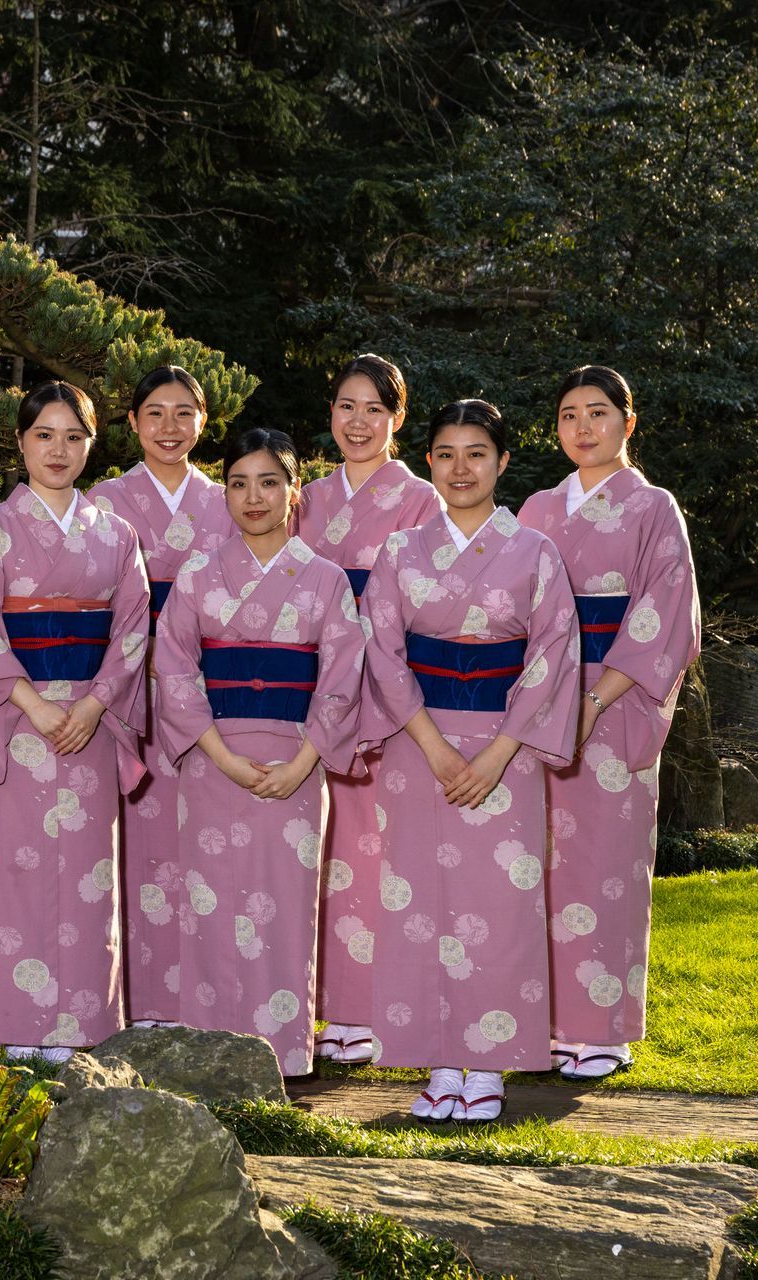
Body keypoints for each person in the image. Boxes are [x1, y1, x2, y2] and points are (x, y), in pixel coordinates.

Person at [357, 400, 580, 1121]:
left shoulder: (537, 553)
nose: (461, 468)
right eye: (446, 453)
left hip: (505, 749)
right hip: (416, 745)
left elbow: (551, 658)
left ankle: (487, 1066)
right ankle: (438, 1058)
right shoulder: (399, 553)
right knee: (418, 903)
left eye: (476, 453)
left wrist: (499, 753)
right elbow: (383, 654)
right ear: (428, 461)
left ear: (504, 462)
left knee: (499, 905)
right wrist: (430, 743)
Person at [0, 381, 151, 1062]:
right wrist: (32, 703)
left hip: (90, 716)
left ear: (93, 444)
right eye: (44, 435)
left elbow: (131, 628)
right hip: (17, 715)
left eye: (74, 436)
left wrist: (95, 704)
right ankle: (19, 1026)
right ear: (20, 441)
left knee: (90, 875)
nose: (59, 450)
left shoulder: (116, 535)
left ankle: (84, 1024)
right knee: (17, 869)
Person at [151, 427, 364, 1076]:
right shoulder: (197, 575)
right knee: (211, 909)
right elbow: (175, 670)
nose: (253, 496)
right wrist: (221, 755)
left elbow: (341, 674)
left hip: (295, 761)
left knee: (284, 909)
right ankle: (213, 1054)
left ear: (294, 492)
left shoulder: (326, 580)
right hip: (213, 761)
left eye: (269, 481)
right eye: (238, 483)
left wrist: (304, 762)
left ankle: (283, 1054)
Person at [518, 366, 700, 1081]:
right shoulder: (535, 508)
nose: (583, 428)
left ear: (629, 421)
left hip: (615, 701)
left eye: (598, 413)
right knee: (535, 866)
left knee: (605, 863)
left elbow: (664, 617)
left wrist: (594, 700)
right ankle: (544, 1021)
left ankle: (602, 1028)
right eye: (569, 415)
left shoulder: (654, 508)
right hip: (540, 700)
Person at [295, 353, 442, 1064]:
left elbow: (425, 594)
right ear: (331, 414)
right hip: (313, 686)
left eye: (374, 410)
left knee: (375, 849)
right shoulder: (308, 499)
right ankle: (322, 1007)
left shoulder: (420, 499)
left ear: (398, 418)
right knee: (317, 849)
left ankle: (373, 1009)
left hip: (385, 689)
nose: (358, 423)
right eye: (346, 407)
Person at [87, 366, 233, 1028]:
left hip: (210, 682)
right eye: (155, 414)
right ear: (133, 422)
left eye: (184, 413)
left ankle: (205, 997)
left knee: (206, 840)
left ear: (205, 420)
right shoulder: (108, 498)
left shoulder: (226, 497)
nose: (169, 428)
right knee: (139, 838)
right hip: (130, 680)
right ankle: (142, 999)